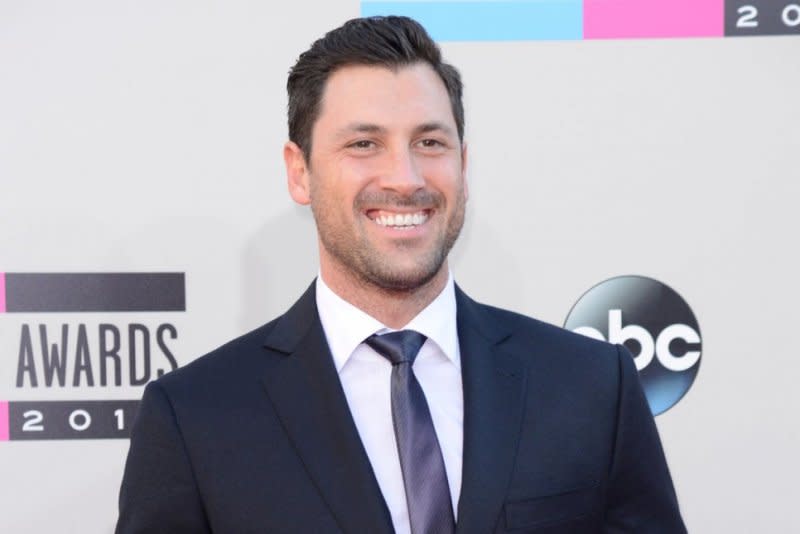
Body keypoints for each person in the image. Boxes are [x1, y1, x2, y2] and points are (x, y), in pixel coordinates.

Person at [116, 16, 687, 534]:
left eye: (430, 142)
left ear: (464, 164)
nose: (405, 176)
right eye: (364, 143)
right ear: (300, 172)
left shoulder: (591, 385)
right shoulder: (196, 417)